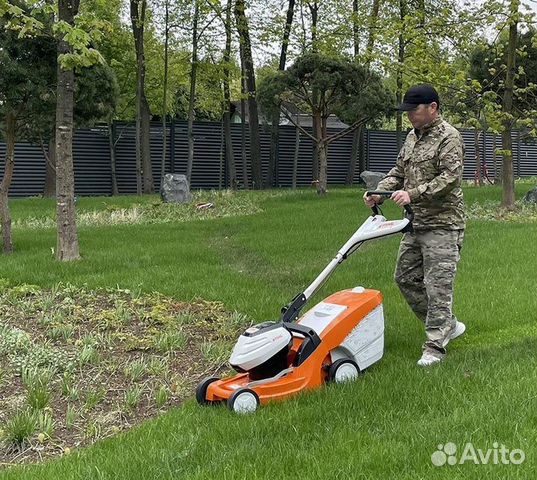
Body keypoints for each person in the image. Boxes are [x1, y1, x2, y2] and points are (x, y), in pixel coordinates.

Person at [364, 84, 466, 367]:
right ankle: (448, 325)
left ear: (432, 108)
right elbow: (398, 172)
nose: (409, 115)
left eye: (414, 110)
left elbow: (450, 179)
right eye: (407, 111)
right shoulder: (412, 137)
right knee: (405, 278)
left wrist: (414, 193)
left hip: (444, 225)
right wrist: (378, 191)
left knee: (438, 286)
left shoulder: (450, 138)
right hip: (416, 223)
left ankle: (435, 346)